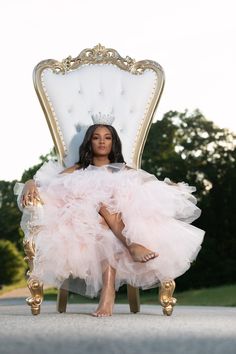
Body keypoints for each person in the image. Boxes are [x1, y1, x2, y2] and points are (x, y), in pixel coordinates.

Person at [18, 123, 205, 317]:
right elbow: (45, 184)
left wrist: (170, 188)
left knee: (107, 220)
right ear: (89, 142)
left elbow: (150, 184)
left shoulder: (123, 171)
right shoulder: (77, 170)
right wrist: (30, 183)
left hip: (121, 218)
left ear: (113, 142)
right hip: (85, 223)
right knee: (98, 208)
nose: (102, 141)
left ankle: (110, 289)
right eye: (96, 137)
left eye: (107, 137)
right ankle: (130, 248)